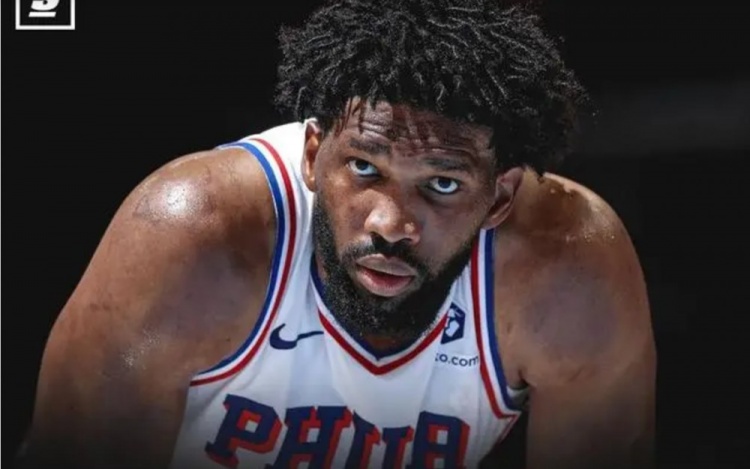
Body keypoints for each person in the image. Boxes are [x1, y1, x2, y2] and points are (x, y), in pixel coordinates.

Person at [18, 1, 656, 468]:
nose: (390, 224)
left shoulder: (565, 270)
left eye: (442, 184)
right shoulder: (193, 236)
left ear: (501, 197)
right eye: (364, 168)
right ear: (312, 153)